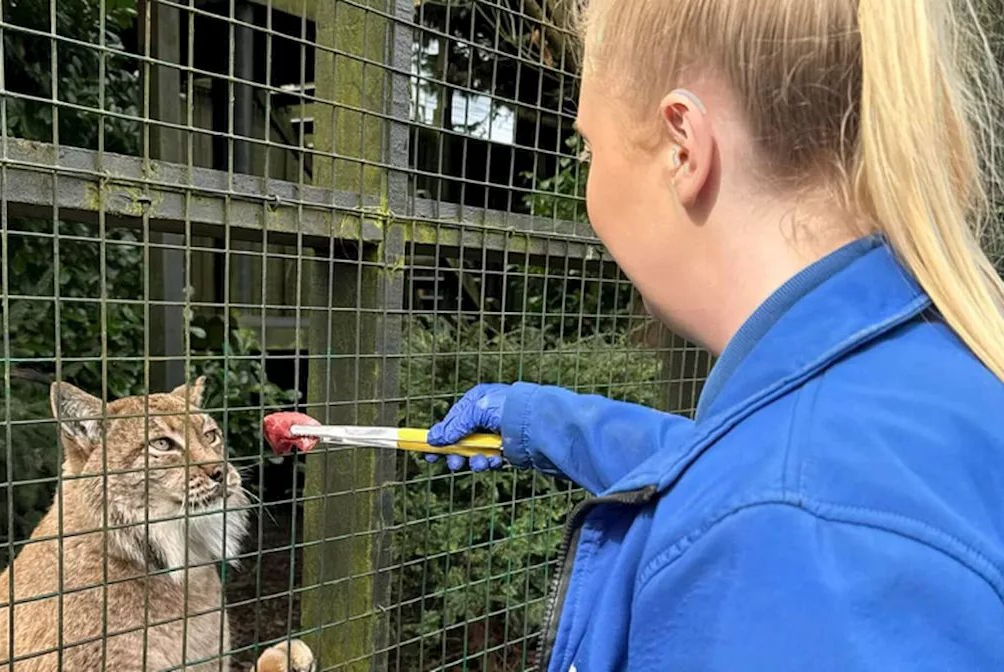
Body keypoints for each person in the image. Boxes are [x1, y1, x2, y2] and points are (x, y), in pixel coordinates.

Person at [424, 1, 1004, 670]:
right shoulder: (919, 370)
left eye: (589, 147)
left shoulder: (784, 539)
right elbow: (729, 458)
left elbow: (764, 496)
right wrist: (539, 421)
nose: (589, 177)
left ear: (682, 148)